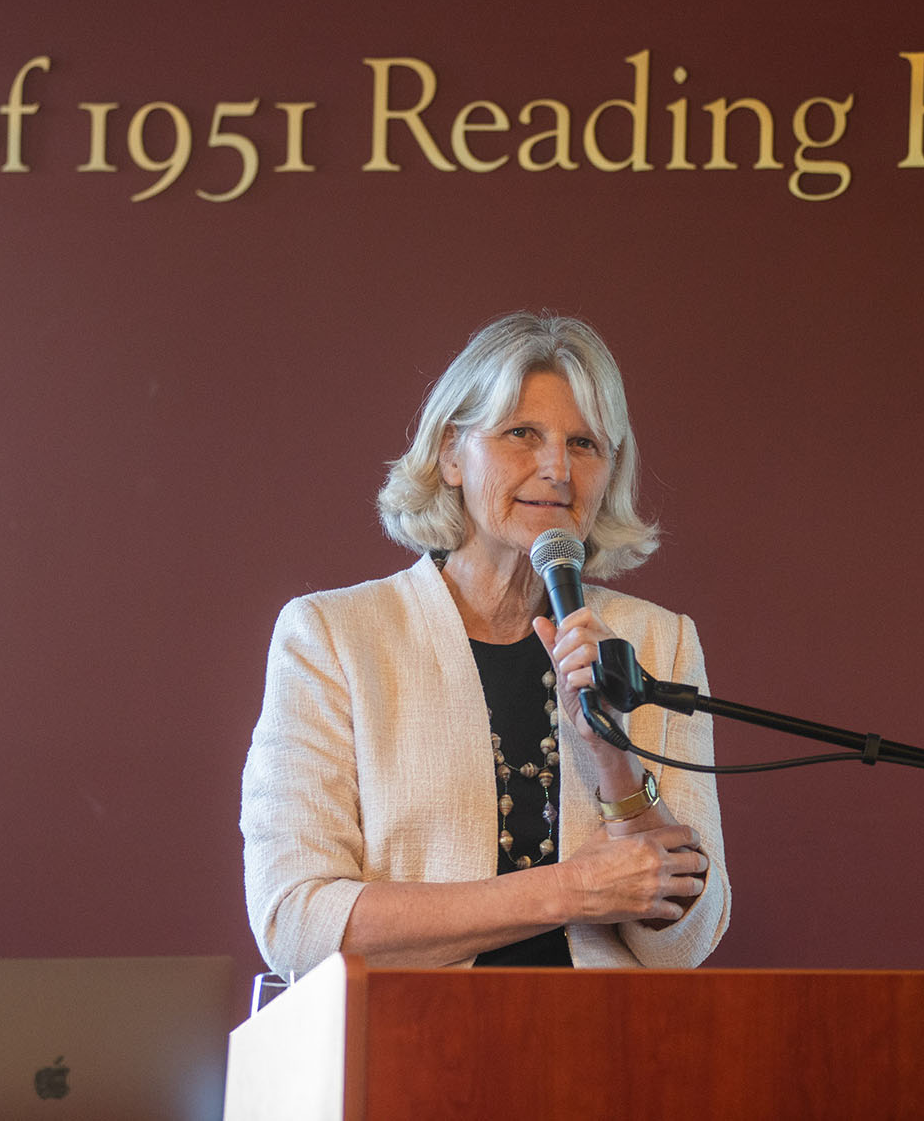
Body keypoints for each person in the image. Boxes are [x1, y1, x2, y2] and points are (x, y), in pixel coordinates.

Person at [240, 310, 728, 975]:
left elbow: (680, 946)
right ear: (450, 454)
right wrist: (567, 890)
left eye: (585, 444)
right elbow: (296, 921)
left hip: (607, 1050)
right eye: (522, 433)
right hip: (409, 1051)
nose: (556, 467)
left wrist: (613, 761)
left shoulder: (657, 641)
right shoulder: (333, 637)